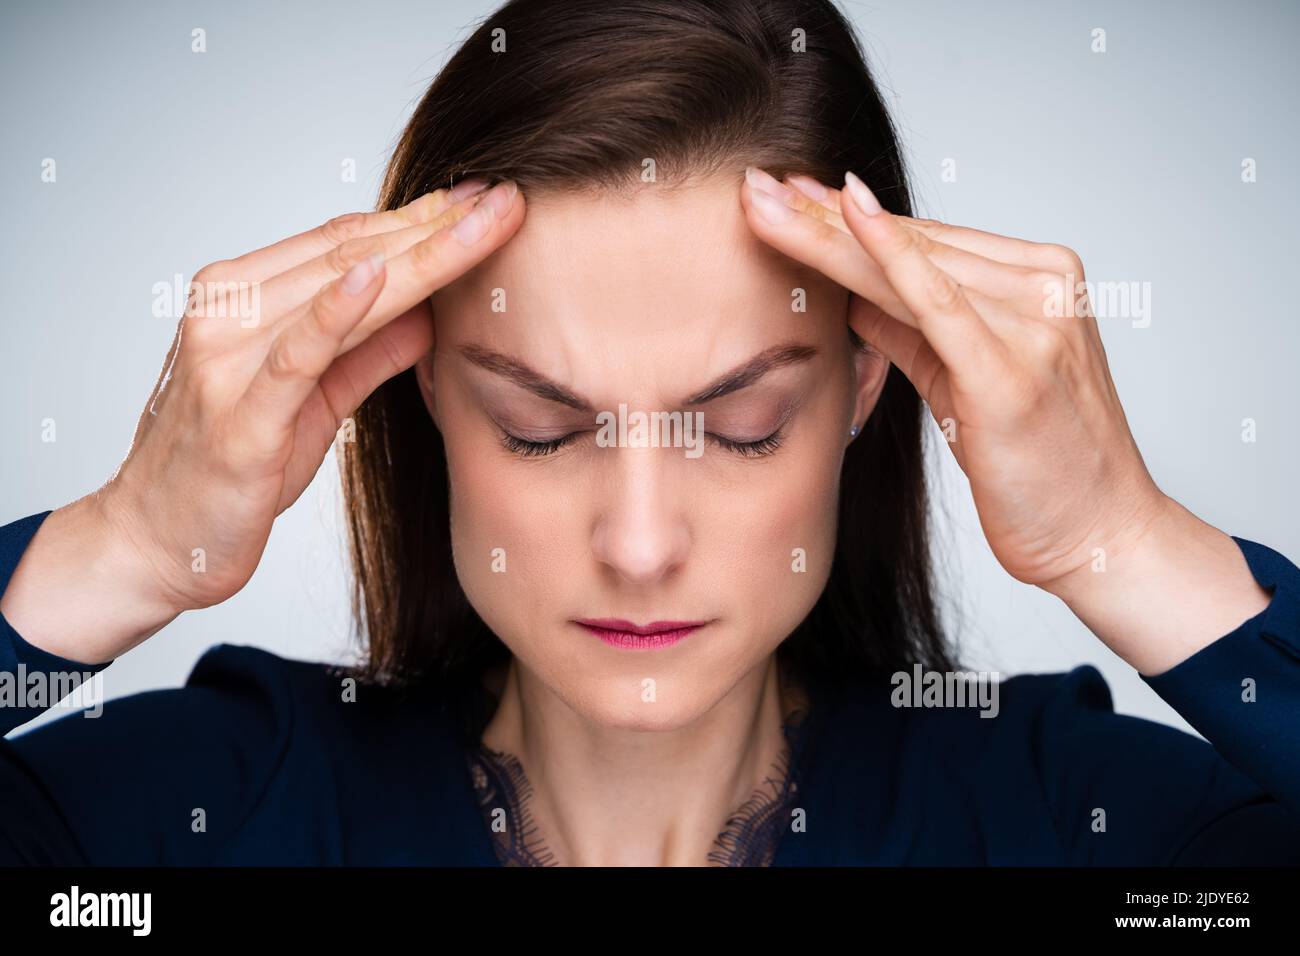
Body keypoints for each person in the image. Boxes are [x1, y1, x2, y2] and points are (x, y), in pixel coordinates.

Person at [2, 0, 1298, 866]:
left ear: (866, 386)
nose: (636, 544)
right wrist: (124, 548)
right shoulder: (198, 821)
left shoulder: (1071, 827)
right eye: (537, 427)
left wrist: (1121, 543)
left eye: (739, 426)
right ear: (419, 386)